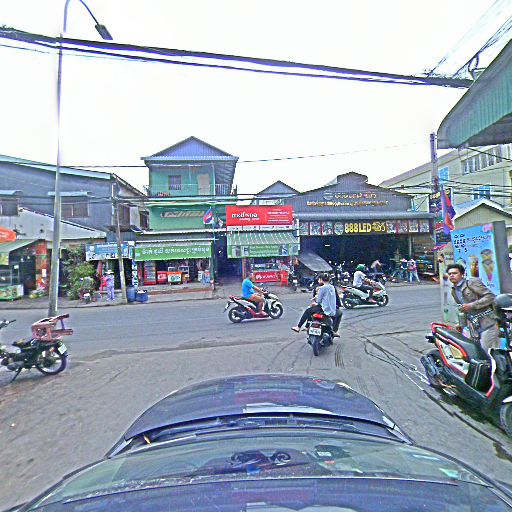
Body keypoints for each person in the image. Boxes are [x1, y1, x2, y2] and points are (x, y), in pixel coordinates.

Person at [447, 263, 499, 351]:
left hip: (488, 323)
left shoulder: (471, 283)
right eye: (449, 274)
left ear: (462, 274)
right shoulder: (454, 291)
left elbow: (490, 296)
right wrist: (460, 323)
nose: (452, 275)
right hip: (473, 326)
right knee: (473, 351)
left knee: (488, 352)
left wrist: (472, 305)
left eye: (455, 273)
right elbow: (463, 309)